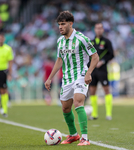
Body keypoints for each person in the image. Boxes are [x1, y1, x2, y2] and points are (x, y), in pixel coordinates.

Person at [44, 11, 99, 146]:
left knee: (78, 103)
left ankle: (85, 138)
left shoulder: (82, 38)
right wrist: (50, 78)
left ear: (70, 23)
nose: (60, 27)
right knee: (65, 108)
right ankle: (74, 135)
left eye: (63, 24)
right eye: (59, 25)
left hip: (81, 75)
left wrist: (89, 73)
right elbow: (59, 60)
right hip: (67, 78)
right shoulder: (60, 41)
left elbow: (95, 56)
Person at [88, 22, 114, 120]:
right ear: (94, 29)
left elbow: (111, 54)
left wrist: (102, 61)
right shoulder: (91, 42)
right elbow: (88, 56)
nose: (98, 30)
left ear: (103, 30)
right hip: (93, 71)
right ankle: (94, 114)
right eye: (97, 28)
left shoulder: (107, 42)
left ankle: (108, 114)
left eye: (100, 28)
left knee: (106, 90)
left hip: (102, 70)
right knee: (92, 91)